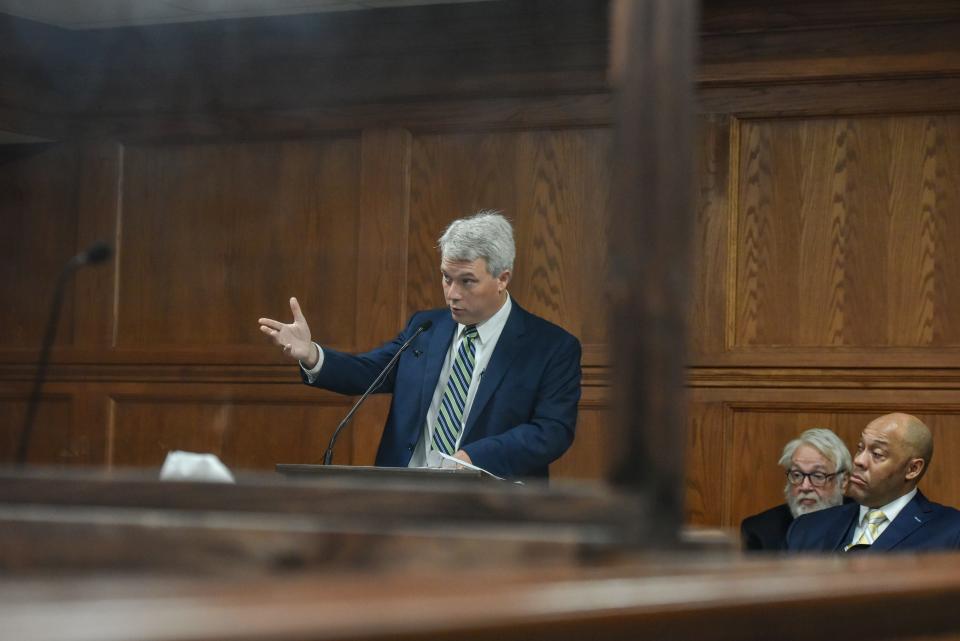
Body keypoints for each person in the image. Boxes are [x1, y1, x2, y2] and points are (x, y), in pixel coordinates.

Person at [258, 210, 581, 479]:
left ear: (503, 279)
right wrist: (311, 354)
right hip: (403, 500)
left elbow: (551, 431)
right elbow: (369, 371)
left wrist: (474, 457)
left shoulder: (551, 347)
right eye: (446, 278)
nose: (452, 293)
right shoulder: (425, 329)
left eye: (467, 281)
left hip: (492, 510)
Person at [787, 413, 960, 552]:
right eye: (860, 448)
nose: (859, 461)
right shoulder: (807, 528)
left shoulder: (951, 532)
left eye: (877, 454)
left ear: (912, 469)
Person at [740, 428, 851, 551]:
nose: (805, 486)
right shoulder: (760, 532)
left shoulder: (863, 523)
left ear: (843, 482)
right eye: (797, 475)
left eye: (818, 476)